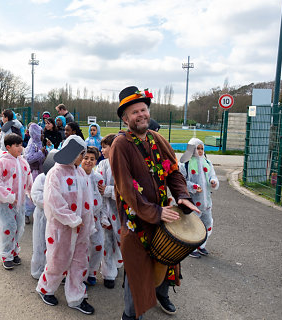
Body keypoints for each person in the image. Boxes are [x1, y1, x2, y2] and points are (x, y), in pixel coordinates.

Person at [110, 86, 199, 319]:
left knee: (168, 260)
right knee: (136, 272)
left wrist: (183, 196)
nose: (141, 115)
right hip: (136, 220)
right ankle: (130, 315)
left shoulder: (157, 138)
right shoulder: (120, 145)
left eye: (143, 109)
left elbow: (174, 173)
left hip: (163, 214)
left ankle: (162, 294)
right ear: (125, 118)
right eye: (134, 112)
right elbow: (126, 190)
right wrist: (155, 212)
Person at [36, 135, 95, 315]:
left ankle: (76, 297)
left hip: (80, 230)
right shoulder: (55, 173)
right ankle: (45, 288)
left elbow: (88, 201)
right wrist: (72, 220)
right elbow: (54, 202)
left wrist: (87, 223)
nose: (82, 158)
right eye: (80, 154)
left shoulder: (79, 173)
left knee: (79, 262)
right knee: (57, 261)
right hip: (61, 229)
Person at [0, 133, 33, 270]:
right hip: (3, 204)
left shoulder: (23, 162)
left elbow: (29, 180)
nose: (20, 148)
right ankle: (6, 255)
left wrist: (32, 193)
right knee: (8, 228)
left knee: (18, 227)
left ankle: (14, 251)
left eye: (21, 145)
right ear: (8, 147)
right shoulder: (1, 163)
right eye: (17, 145)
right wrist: (8, 196)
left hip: (19, 203)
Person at [179, 138, 219, 258]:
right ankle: (190, 247)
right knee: (192, 225)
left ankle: (201, 245)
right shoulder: (185, 164)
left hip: (206, 202)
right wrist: (193, 186)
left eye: (202, 148)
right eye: (197, 148)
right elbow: (181, 182)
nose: (200, 151)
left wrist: (213, 182)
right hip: (193, 202)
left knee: (208, 223)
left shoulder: (207, 163)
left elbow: (213, 175)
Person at [96, 133, 123, 289]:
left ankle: (117, 262)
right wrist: (103, 215)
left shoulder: (125, 166)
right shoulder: (102, 165)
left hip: (122, 213)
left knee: (120, 242)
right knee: (107, 241)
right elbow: (98, 190)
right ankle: (108, 273)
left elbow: (131, 191)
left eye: (105, 147)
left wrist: (109, 190)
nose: (102, 150)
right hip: (106, 211)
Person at [30, 149, 57, 280]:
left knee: (55, 246)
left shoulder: (61, 178)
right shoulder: (41, 178)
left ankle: (52, 270)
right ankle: (38, 270)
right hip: (43, 216)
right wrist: (53, 205)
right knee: (40, 244)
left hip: (57, 218)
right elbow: (36, 196)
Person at [81, 146, 104, 287]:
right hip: (80, 221)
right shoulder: (75, 176)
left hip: (95, 219)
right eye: (86, 158)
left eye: (92, 159)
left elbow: (103, 200)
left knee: (98, 245)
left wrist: (104, 217)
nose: (89, 161)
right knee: (79, 248)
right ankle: (75, 274)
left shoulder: (98, 178)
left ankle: (91, 272)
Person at [23, 123, 46, 224]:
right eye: (40, 133)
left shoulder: (39, 143)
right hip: (33, 173)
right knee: (31, 194)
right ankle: (26, 213)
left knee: (40, 192)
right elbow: (28, 159)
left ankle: (37, 212)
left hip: (40, 171)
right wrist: (40, 153)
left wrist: (45, 152)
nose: (42, 135)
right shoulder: (32, 144)